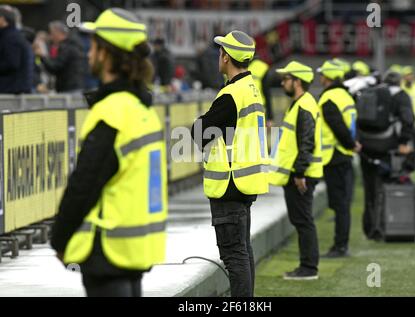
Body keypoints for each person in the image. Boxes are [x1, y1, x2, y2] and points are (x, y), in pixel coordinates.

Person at [50, 8, 167, 297]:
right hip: (136, 249)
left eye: (94, 46)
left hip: (107, 251)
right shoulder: (143, 111)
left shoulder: (113, 112)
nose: (89, 54)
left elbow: (84, 183)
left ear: (105, 54)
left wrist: (59, 238)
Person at [191, 30, 269, 297]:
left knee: (234, 255)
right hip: (244, 181)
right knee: (242, 250)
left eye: (221, 51)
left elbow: (201, 132)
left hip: (229, 183)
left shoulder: (231, 95)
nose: (219, 55)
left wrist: (199, 123)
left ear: (226, 57)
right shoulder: (251, 89)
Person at [269, 61, 323, 280]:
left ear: (297, 81)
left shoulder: (304, 106)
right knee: (301, 220)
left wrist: (300, 173)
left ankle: (308, 268)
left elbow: (306, 142)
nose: (283, 82)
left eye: (286, 79)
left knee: (303, 221)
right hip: (297, 173)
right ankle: (307, 265)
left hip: (300, 175)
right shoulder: (301, 103)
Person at [358, 71, 415, 240]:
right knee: (386, 186)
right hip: (387, 147)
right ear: (400, 83)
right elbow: (408, 120)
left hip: (366, 146)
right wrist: (404, 142)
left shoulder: (373, 92)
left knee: (369, 189)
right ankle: (382, 226)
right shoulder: (401, 96)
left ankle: (368, 227)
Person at [317, 60, 361, 258]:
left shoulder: (328, 97)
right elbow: (349, 124)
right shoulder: (346, 95)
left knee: (340, 204)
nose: (320, 78)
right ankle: (341, 244)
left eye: (322, 75)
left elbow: (337, 126)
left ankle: (340, 246)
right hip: (344, 155)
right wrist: (353, 143)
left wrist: (350, 143)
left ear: (328, 78)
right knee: (342, 203)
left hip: (334, 155)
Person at [33, 21, 85, 93]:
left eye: (52, 33)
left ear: (58, 33)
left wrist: (42, 56)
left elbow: (55, 66)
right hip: (72, 87)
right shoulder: (70, 45)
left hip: (69, 89)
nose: (51, 37)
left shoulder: (67, 48)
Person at [0, 5, 33, 94]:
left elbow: (11, 63)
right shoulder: (12, 35)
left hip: (11, 90)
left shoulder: (10, 38)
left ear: (2, 20)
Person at [249, 58, 273, 126]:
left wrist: (270, 117)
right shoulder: (261, 66)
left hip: (259, 110)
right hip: (258, 109)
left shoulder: (261, 67)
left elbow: (266, 92)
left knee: (260, 135)